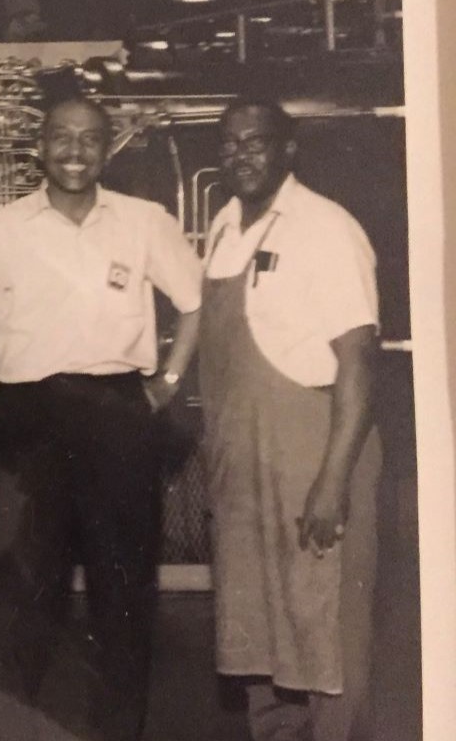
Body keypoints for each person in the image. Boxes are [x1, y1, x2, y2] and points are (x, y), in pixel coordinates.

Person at [0, 96, 203, 741]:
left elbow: (194, 301)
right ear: (40, 148)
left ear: (108, 150)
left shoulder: (144, 221)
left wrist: (166, 384)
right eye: (61, 137)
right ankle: (16, 727)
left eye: (90, 139)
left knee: (123, 587)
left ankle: (118, 730)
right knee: (23, 588)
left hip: (117, 413)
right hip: (28, 418)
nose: (75, 151)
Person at [201, 98, 380, 741]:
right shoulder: (223, 227)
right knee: (260, 631)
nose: (240, 155)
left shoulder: (325, 228)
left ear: (288, 149)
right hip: (244, 461)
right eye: (229, 143)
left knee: (322, 626)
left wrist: (332, 482)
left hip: (313, 447)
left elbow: (359, 365)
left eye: (257, 142)